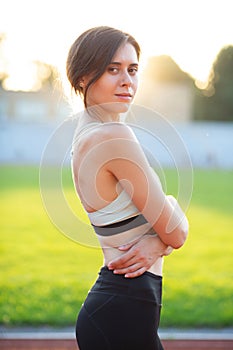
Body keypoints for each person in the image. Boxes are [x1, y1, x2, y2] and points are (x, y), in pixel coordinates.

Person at [66, 26, 189, 350]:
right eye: (112, 69)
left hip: (120, 311)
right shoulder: (112, 137)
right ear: (81, 78)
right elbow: (177, 233)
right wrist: (161, 240)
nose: (127, 81)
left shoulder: (88, 135)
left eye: (133, 70)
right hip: (121, 313)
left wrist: (156, 240)